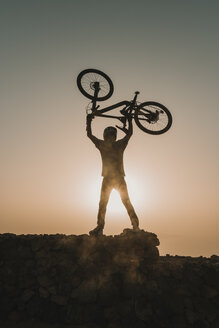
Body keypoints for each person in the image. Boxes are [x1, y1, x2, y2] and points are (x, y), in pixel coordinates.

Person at [86, 113, 139, 236]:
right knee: (123, 202)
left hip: (110, 179)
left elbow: (89, 134)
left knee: (104, 203)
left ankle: (100, 227)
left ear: (106, 136)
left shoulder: (103, 145)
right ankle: (135, 226)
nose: (109, 138)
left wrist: (88, 121)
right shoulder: (119, 144)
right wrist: (130, 120)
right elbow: (130, 133)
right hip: (117, 178)